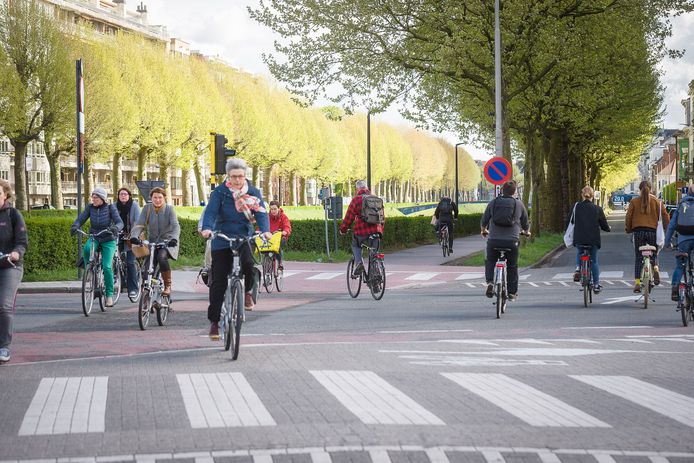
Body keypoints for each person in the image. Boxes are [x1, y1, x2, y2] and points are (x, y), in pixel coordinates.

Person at [200, 158, 272, 339]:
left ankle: (247, 292)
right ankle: (215, 323)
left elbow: (261, 213)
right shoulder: (220, 193)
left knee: (248, 264)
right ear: (228, 176)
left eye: (240, 176)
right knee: (218, 282)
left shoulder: (253, 192)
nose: (238, 180)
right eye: (234, 177)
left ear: (245, 176)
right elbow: (211, 212)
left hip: (243, 237)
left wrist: (265, 231)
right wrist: (207, 228)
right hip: (222, 238)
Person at [70, 187, 124, 307]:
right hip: (95, 236)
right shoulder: (90, 208)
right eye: (92, 197)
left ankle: (109, 295)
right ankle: (89, 268)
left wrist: (116, 228)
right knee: (87, 249)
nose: (93, 199)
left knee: (107, 266)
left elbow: (120, 222)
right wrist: (75, 226)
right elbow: (81, 219)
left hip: (108, 239)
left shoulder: (111, 208)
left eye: (96, 197)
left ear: (102, 199)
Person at [480, 180, 530, 301]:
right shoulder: (519, 205)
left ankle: (491, 282)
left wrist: (483, 230)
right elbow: (525, 223)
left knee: (491, 260)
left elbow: (485, 220)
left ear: (502, 190)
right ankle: (512, 293)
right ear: (515, 192)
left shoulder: (493, 202)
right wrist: (526, 232)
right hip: (512, 241)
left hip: (494, 240)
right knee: (512, 265)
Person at [129, 187, 180, 297]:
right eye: (155, 197)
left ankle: (167, 286)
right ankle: (146, 293)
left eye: (160, 197)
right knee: (147, 268)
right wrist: (134, 236)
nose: (157, 200)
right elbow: (139, 225)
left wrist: (174, 239)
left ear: (164, 198)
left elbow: (175, 225)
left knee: (162, 257)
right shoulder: (147, 208)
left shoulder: (169, 209)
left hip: (167, 242)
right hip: (152, 243)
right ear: (151, 198)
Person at [0, 180, 28, 364]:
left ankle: (4, 346)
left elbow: (22, 240)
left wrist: (16, 253)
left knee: (3, 306)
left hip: (9, 265)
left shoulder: (12, 214)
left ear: (5, 195)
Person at [625, 180, 669, 293]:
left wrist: (629, 229)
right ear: (651, 189)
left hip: (638, 232)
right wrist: (666, 229)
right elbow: (665, 217)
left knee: (639, 258)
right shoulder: (657, 202)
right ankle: (655, 267)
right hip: (652, 232)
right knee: (653, 254)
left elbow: (628, 217)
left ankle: (637, 284)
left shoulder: (634, 201)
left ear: (639, 189)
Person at [568, 186, 611, 293]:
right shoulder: (597, 209)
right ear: (593, 196)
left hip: (579, 237)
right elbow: (603, 224)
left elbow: (570, 221)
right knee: (594, 261)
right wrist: (607, 228)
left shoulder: (576, 207)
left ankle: (578, 268)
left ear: (582, 195)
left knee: (579, 251)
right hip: (593, 239)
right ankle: (596, 284)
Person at [339, 180, 385, 277]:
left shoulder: (356, 200)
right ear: (367, 188)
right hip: (376, 231)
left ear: (357, 189)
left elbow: (349, 217)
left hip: (361, 231)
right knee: (374, 253)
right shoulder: (376, 199)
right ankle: (376, 278)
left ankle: (358, 263)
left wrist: (343, 229)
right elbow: (382, 217)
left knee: (356, 244)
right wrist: (380, 230)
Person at [665, 184, 694, 301]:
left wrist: (667, 243)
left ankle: (675, 286)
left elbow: (672, 225)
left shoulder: (681, 204)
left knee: (680, 266)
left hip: (683, 240)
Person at [116, 187, 141, 299]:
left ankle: (133, 289)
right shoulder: (114, 206)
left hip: (131, 237)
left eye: (125, 194)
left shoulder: (134, 205)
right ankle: (121, 283)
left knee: (130, 262)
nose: (123, 196)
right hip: (118, 236)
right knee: (116, 260)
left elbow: (138, 221)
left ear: (129, 195)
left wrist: (134, 234)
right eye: (121, 194)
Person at [268, 200, 292, 270]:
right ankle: (267, 262)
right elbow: (262, 225)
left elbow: (287, 226)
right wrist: (258, 231)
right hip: (269, 236)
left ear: (278, 208)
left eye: (275, 209)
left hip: (280, 237)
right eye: (271, 209)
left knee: (278, 247)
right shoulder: (267, 216)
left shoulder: (283, 217)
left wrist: (285, 231)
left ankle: (280, 262)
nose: (273, 211)